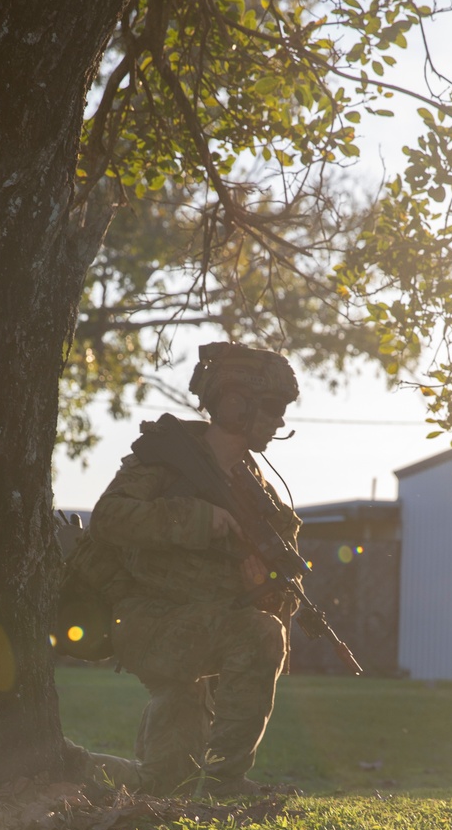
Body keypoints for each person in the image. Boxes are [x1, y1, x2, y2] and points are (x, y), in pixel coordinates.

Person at [62, 341, 301, 797]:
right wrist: (196, 518)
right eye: (271, 407)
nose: (280, 421)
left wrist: (266, 589)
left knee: (166, 784)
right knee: (261, 634)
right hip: (146, 621)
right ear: (234, 404)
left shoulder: (265, 501)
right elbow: (109, 517)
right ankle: (225, 784)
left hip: (204, 646)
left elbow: (287, 589)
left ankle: (66, 765)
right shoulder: (166, 458)